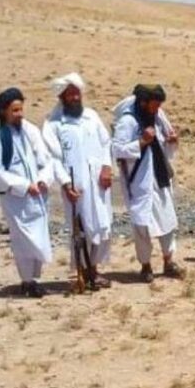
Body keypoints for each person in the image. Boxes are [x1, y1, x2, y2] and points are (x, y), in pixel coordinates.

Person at [42, 73, 114, 290]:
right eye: (70, 94)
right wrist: (66, 184)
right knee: (81, 230)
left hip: (100, 183)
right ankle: (83, 272)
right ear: (62, 97)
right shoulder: (53, 125)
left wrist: (107, 168)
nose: (75, 97)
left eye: (77, 93)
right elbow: (52, 159)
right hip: (76, 186)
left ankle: (95, 269)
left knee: (103, 225)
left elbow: (105, 143)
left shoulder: (91, 116)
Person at [0, 87, 54, 297]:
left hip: (37, 196)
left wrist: (42, 180)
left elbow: (45, 159)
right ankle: (27, 281)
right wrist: (24, 186)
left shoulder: (30, 131)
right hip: (16, 198)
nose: (20, 114)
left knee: (39, 236)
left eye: (21, 109)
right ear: (4, 112)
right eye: (15, 111)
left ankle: (35, 280)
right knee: (22, 239)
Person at [111, 84, 185, 283]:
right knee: (142, 224)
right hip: (139, 181)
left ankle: (168, 261)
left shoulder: (158, 115)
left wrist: (170, 140)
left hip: (159, 176)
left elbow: (163, 139)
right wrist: (141, 142)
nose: (157, 108)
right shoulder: (128, 121)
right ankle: (145, 265)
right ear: (143, 102)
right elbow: (117, 150)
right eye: (154, 104)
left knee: (167, 220)